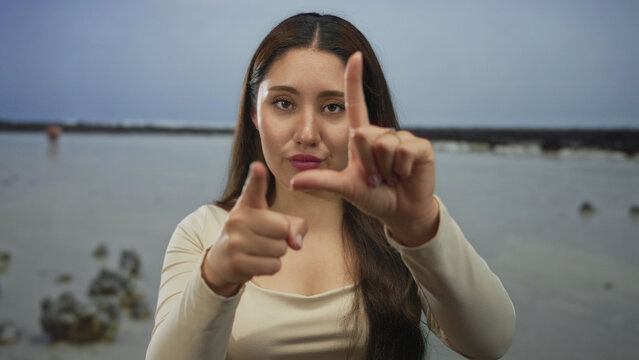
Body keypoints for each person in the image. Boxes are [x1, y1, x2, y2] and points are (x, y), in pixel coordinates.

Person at [146, 12, 515, 360]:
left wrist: (420, 226)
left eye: (333, 107)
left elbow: (490, 341)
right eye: (284, 103)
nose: (307, 134)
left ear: (365, 117)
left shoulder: (401, 228)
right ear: (255, 112)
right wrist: (218, 276)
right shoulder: (204, 232)